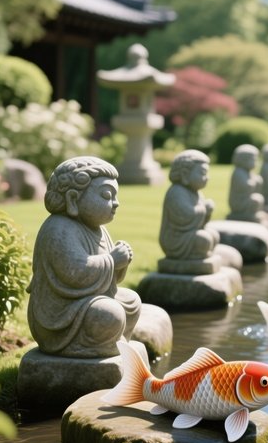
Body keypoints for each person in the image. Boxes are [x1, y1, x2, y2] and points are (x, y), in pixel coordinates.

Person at [27, 156, 141, 358]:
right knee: (110, 314)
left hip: (87, 300)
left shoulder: (99, 229)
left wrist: (120, 264)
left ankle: (112, 342)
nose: (116, 203)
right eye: (107, 195)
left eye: (115, 196)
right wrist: (112, 261)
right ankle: (89, 346)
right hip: (62, 313)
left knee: (131, 302)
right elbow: (75, 273)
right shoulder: (58, 229)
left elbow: (110, 281)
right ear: (73, 199)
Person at [159, 149, 218, 261]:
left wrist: (207, 212)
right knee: (204, 240)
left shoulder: (196, 193)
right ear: (185, 174)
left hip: (189, 233)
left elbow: (200, 222)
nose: (207, 177)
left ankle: (200, 254)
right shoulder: (176, 192)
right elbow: (184, 217)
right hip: (177, 238)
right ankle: (195, 256)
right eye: (203, 173)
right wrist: (204, 209)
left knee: (214, 235)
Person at [227, 144, 265, 221]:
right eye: (253, 160)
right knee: (256, 200)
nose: (256, 162)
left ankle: (251, 213)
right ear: (243, 160)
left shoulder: (247, 172)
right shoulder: (238, 173)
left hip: (246, 199)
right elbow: (245, 186)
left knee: (258, 198)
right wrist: (254, 182)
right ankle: (245, 214)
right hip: (239, 202)